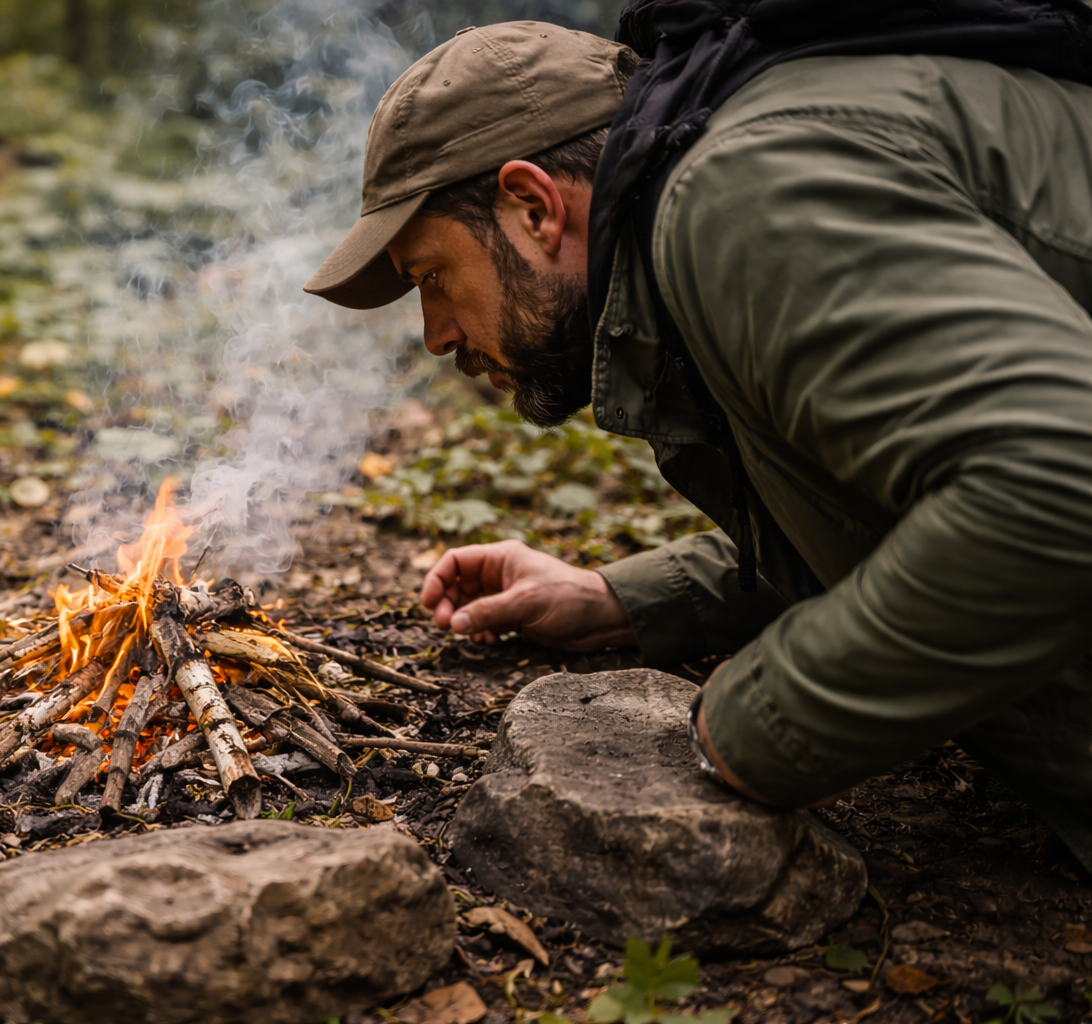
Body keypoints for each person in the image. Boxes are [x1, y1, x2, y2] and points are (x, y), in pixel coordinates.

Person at [303, 8, 1092, 867]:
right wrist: (635, 599)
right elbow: (899, 512)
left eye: (433, 278)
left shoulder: (747, 199)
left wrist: (764, 724)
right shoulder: (727, 198)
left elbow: (1052, 483)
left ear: (532, 205)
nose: (436, 335)